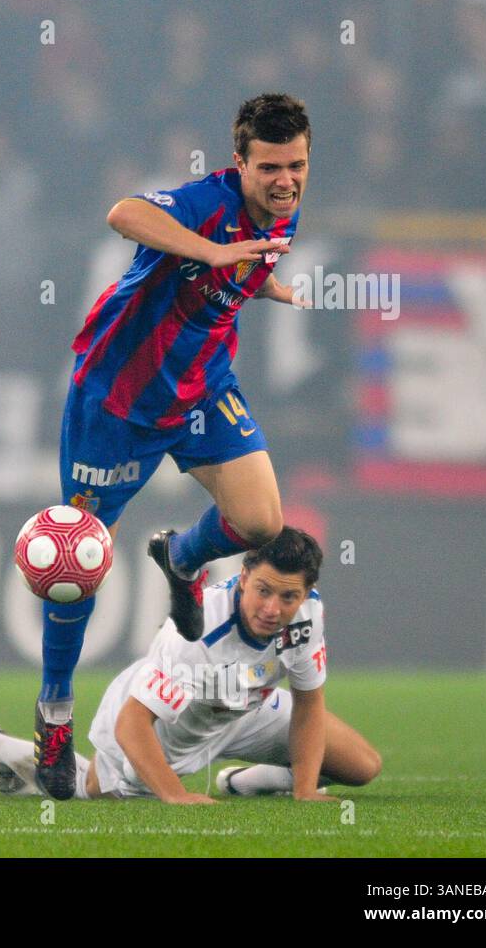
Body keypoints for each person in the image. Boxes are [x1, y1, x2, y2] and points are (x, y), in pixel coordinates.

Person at [34, 93, 315, 799]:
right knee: (79, 564)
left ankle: (181, 555)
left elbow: (230, 278)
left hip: (200, 390)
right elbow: (123, 214)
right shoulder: (203, 202)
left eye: (298, 166)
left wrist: (266, 284)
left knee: (261, 524)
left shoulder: (284, 212)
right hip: (117, 399)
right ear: (240, 163)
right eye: (272, 167)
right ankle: (56, 712)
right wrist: (217, 250)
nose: (287, 180)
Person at [0, 528, 381, 803]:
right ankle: (1, 748)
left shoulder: (309, 613)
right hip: (168, 722)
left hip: (244, 709)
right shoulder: (197, 636)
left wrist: (306, 792)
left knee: (362, 766)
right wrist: (176, 795)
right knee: (90, 790)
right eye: (263, 590)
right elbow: (131, 723)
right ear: (242, 577)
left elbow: (309, 704)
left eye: (288, 597)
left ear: (307, 592)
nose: (273, 609)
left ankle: (245, 782)